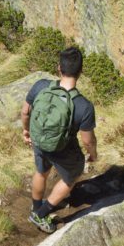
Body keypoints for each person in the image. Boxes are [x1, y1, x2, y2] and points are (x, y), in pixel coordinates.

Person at [21, 47, 98, 233]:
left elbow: (25, 111)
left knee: (41, 172)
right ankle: (40, 214)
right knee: (71, 177)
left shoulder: (41, 86)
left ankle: (36, 205)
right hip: (63, 148)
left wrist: (26, 131)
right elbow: (88, 141)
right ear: (80, 72)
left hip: (39, 140)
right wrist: (93, 154)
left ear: (59, 68)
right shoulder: (84, 106)